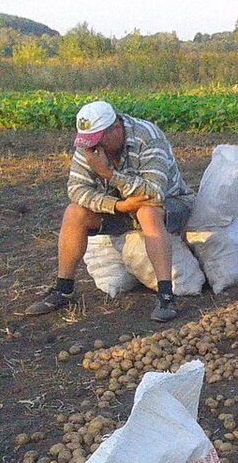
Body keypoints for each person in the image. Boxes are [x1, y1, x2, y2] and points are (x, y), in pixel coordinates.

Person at [22, 100, 195, 323]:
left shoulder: (148, 137)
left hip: (170, 203)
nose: (93, 149)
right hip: (121, 206)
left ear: (116, 129)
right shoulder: (89, 147)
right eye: (87, 143)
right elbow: (76, 190)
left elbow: (154, 193)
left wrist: (110, 175)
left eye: (97, 141)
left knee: (147, 211)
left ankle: (166, 295)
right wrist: (118, 206)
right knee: (74, 212)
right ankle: (63, 289)